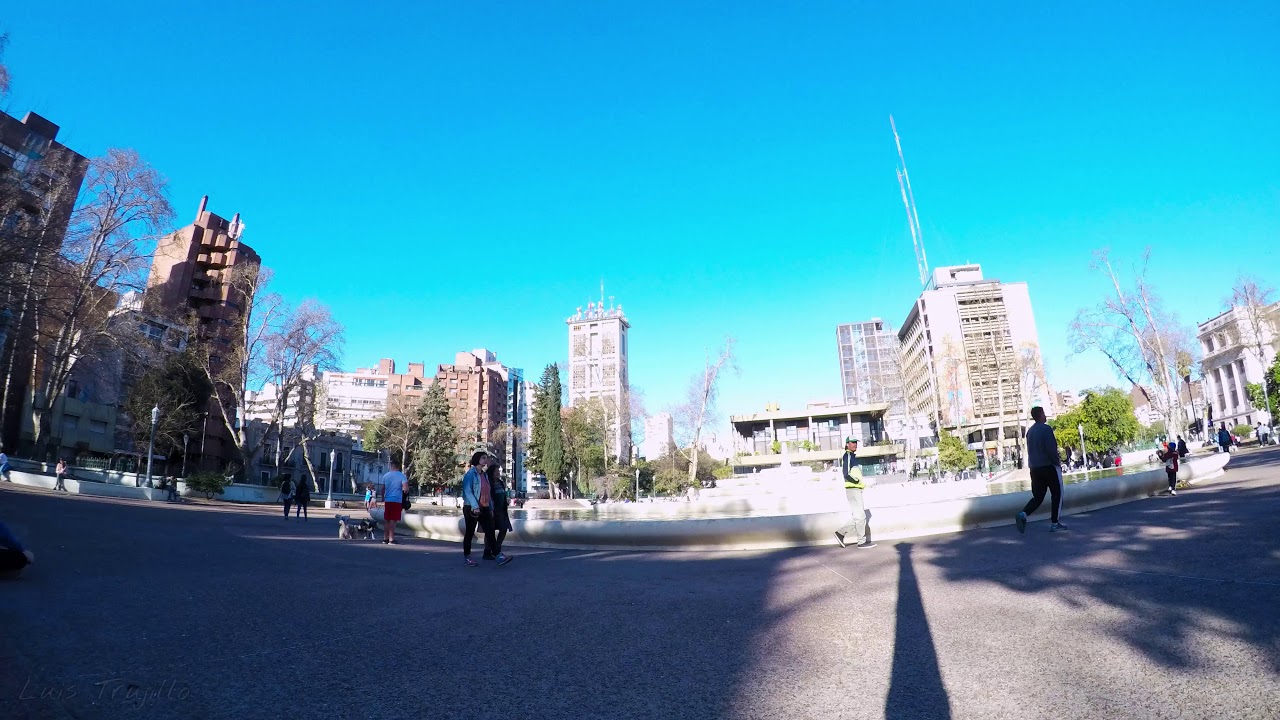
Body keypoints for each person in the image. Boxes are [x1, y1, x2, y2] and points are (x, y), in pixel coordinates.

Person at [1015, 406, 1068, 534]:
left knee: (1038, 496)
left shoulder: (1030, 432)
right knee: (1057, 494)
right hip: (1048, 466)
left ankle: (1023, 514)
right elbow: (1051, 449)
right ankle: (1055, 523)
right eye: (1044, 413)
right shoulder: (1046, 429)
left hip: (1035, 468)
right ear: (1040, 415)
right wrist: (1058, 463)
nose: (1045, 416)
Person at [834, 437, 875, 549]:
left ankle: (840, 533)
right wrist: (857, 482)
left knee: (858, 516)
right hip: (852, 489)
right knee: (861, 516)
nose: (855, 444)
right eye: (853, 443)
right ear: (847, 444)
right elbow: (846, 474)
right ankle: (861, 542)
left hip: (855, 489)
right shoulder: (847, 456)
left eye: (856, 443)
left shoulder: (852, 457)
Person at [460, 452, 498, 566]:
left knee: (490, 532)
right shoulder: (470, 474)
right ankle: (467, 557)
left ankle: (498, 555)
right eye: (483, 458)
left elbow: (487, 492)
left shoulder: (484, 475)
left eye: (486, 458)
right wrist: (475, 506)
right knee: (470, 533)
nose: (485, 460)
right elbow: (467, 491)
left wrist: (490, 508)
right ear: (477, 459)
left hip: (485, 507)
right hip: (472, 508)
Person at [486, 464, 513, 566]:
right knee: (490, 531)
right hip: (492, 510)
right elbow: (489, 497)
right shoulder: (489, 483)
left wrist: (505, 501)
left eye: (499, 472)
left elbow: (503, 494)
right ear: (491, 472)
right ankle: (488, 552)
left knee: (503, 529)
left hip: (501, 511)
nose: (498, 473)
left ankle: (496, 549)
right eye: (496, 471)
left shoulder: (501, 483)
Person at [380, 461, 409, 544]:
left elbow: (382, 489)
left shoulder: (386, 475)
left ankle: (385, 538)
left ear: (391, 466)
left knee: (387, 520)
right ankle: (391, 539)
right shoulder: (402, 476)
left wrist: (383, 497)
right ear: (398, 466)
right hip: (397, 500)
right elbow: (405, 489)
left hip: (388, 500)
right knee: (393, 520)